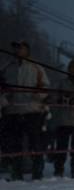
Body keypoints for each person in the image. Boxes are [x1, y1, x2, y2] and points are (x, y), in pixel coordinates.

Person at [1, 41, 49, 181]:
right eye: (15, 48)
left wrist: (38, 94)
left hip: (32, 110)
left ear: (27, 50)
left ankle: (37, 172)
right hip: (12, 111)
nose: (17, 50)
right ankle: (16, 172)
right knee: (15, 143)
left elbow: (45, 87)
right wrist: (5, 98)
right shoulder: (7, 67)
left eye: (20, 48)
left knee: (35, 142)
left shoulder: (37, 68)